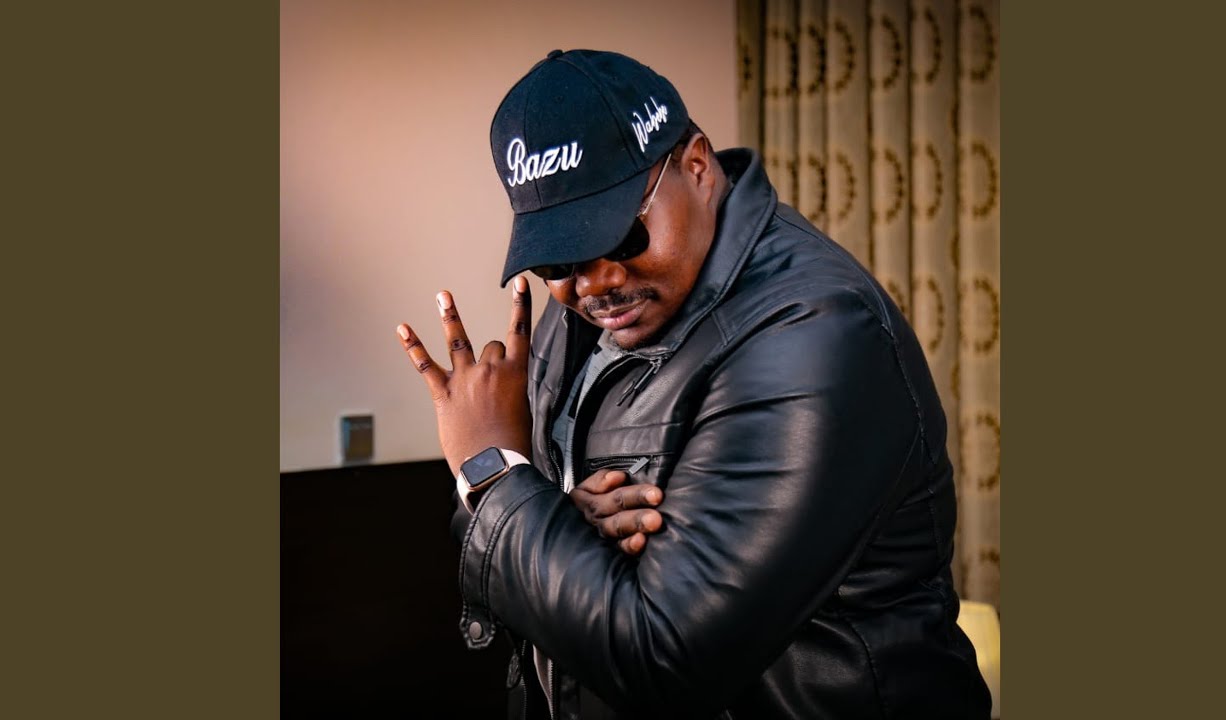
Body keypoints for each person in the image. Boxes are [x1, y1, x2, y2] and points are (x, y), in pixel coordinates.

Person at [396, 49, 990, 719]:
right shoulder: (588, 313)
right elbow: (545, 550)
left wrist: (492, 474)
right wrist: (554, 511)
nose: (595, 283)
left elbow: (665, 656)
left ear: (699, 169)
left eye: (622, 235)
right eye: (558, 258)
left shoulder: (814, 334)